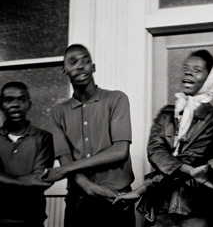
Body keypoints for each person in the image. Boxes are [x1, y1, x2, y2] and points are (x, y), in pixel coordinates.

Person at [114, 49, 213, 227]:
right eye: (185, 69)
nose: (188, 73)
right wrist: (188, 170)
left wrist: (144, 187)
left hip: (195, 205)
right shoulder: (166, 113)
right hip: (158, 203)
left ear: (208, 78)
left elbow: (194, 160)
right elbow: (154, 152)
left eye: (197, 70)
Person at [43, 44, 135, 227]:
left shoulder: (117, 99)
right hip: (78, 201)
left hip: (116, 199)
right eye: (73, 62)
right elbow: (65, 158)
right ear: (64, 70)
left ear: (93, 67)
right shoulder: (57, 112)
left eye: (85, 61)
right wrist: (90, 187)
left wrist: (64, 171)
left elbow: (119, 151)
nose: (80, 66)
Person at [0, 81, 54, 227]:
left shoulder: (43, 137)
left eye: (21, 99)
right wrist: (24, 182)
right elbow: (31, 182)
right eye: (8, 100)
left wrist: (4, 179)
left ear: (29, 104)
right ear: (1, 106)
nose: (16, 104)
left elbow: (40, 180)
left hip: (31, 219)